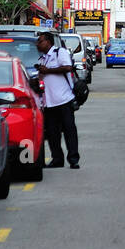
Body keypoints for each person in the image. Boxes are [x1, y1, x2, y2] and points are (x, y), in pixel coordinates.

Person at [35, 31, 80, 169]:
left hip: (64, 100)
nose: (38, 44)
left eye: (40, 41)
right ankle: (57, 159)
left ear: (48, 42)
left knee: (69, 131)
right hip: (49, 103)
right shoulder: (42, 59)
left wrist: (48, 71)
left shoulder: (59, 53)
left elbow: (67, 67)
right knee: (53, 134)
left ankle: (73, 160)